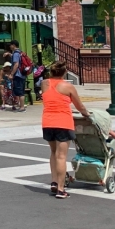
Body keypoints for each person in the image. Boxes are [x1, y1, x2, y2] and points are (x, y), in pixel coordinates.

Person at [41, 60, 90, 199]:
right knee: (61, 156)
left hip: (47, 121)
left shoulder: (44, 83)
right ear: (65, 72)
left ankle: (54, 181)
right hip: (63, 122)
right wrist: (86, 114)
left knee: (53, 152)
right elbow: (79, 106)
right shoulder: (68, 86)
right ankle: (61, 189)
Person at [8, 40, 28, 110]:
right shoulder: (20, 52)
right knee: (20, 90)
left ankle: (22, 107)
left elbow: (16, 64)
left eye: (10, 45)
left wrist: (11, 74)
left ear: (13, 45)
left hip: (18, 75)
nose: (10, 46)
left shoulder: (16, 54)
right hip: (22, 74)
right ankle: (20, 105)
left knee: (20, 92)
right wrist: (9, 54)